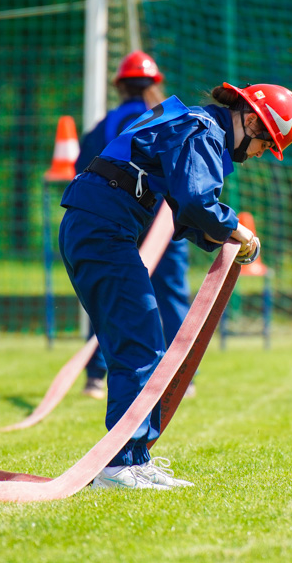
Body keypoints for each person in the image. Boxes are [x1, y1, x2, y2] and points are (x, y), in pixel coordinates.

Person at [59, 80, 292, 489]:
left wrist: (222, 235)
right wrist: (236, 230)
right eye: (266, 144)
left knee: (138, 340)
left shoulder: (193, 124)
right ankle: (122, 465)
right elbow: (194, 200)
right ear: (250, 121)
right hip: (103, 228)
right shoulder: (202, 130)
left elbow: (181, 207)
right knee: (138, 342)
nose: (259, 155)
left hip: (98, 223)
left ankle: (133, 459)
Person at [74, 51, 196, 401]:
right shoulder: (169, 118)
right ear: (155, 84)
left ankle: (96, 376)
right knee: (170, 295)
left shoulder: (104, 126)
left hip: (116, 220)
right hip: (163, 221)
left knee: (109, 298)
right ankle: (181, 376)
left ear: (119, 86)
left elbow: (84, 170)